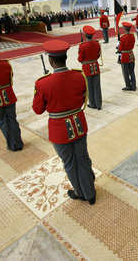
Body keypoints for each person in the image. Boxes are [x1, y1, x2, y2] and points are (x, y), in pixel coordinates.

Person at [32, 39, 96, 204]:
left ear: (51, 60)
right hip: (79, 123)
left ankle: (81, 192)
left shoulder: (42, 83)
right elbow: (82, 99)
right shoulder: (78, 76)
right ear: (65, 57)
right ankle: (90, 190)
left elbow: (38, 109)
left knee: (69, 162)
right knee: (83, 157)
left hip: (59, 129)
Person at [78, 25, 102, 109]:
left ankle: (92, 103)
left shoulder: (82, 46)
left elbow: (80, 59)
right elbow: (98, 55)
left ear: (85, 34)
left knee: (89, 87)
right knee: (97, 86)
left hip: (87, 68)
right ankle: (99, 104)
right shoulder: (97, 44)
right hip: (95, 66)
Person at [118, 22, 136, 90]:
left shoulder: (123, 37)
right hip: (131, 54)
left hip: (125, 56)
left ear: (125, 29)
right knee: (132, 71)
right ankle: (133, 85)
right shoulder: (132, 36)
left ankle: (128, 85)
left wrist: (119, 45)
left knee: (126, 72)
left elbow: (120, 48)